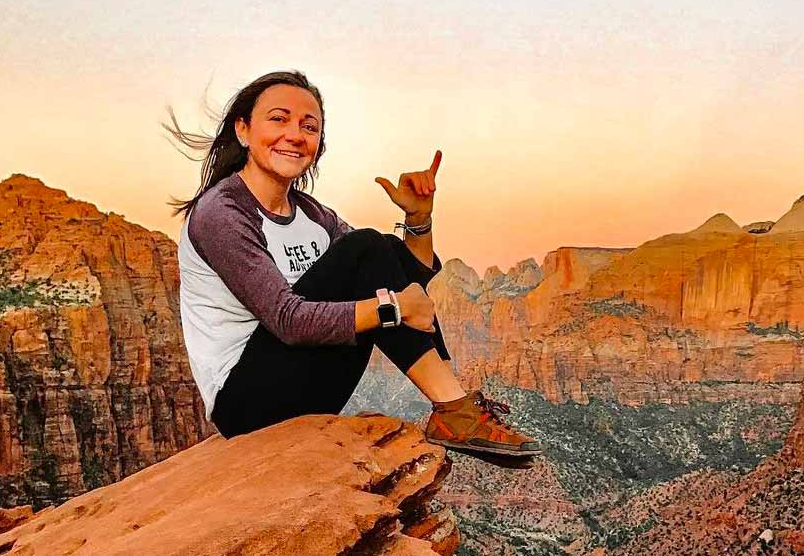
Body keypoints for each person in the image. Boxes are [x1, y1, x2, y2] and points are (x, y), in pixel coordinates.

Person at [165, 70, 541, 459]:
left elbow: (405, 282)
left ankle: (455, 406)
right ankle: (454, 409)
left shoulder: (311, 214)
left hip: (308, 383)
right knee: (366, 246)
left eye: (308, 126)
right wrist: (393, 308)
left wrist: (418, 221)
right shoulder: (221, 213)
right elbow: (288, 320)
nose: (295, 134)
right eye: (278, 119)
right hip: (247, 403)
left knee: (383, 248)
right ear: (243, 130)